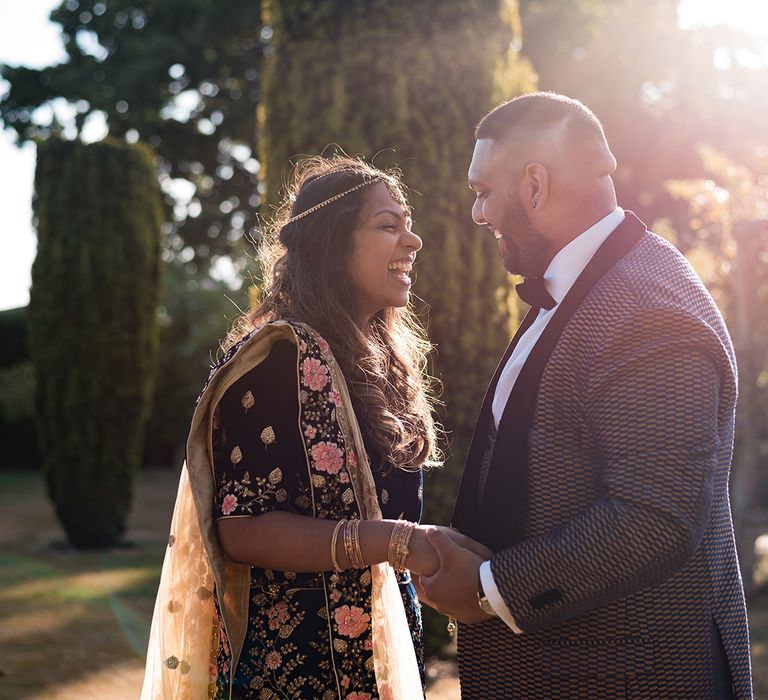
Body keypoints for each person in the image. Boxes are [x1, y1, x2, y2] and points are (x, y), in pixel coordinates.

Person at [415, 92, 753, 698]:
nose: (477, 213)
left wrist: (491, 587)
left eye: (482, 190)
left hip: (627, 680)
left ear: (535, 186)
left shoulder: (647, 311)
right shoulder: (575, 290)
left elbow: (657, 517)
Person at [141, 156, 480, 699]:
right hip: (299, 667)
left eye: (408, 223)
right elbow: (242, 528)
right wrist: (398, 542)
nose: (413, 241)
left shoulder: (377, 360)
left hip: (381, 646)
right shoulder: (278, 359)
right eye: (388, 225)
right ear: (332, 240)